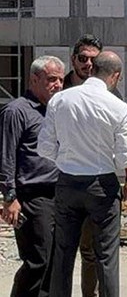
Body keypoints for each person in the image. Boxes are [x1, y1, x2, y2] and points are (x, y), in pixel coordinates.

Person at [38, 51, 127, 297]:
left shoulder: (61, 100)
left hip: (68, 182)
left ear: (91, 69)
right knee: (106, 256)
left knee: (63, 253)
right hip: (102, 184)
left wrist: (66, 159)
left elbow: (44, 147)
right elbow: (125, 158)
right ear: (116, 76)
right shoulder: (118, 107)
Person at [62, 34, 126, 297]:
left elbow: (123, 137)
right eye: (82, 58)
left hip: (97, 178)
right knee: (60, 250)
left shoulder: (113, 94)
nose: (88, 64)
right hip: (62, 179)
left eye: (93, 59)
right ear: (73, 59)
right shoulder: (59, 88)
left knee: (91, 249)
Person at [0, 56, 65, 296]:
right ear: (34, 79)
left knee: (56, 261)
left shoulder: (57, 110)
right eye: (51, 79)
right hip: (32, 197)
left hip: (58, 195)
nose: (57, 85)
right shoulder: (17, 111)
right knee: (39, 260)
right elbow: (5, 156)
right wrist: (9, 197)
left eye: (60, 80)